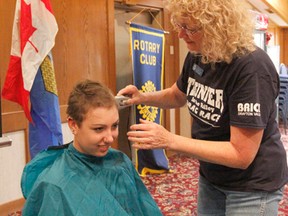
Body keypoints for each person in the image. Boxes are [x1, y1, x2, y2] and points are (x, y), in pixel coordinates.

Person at [117, 0, 288, 215]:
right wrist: (142, 97)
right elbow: (177, 95)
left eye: (190, 28)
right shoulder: (200, 53)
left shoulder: (251, 68)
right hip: (212, 175)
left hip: (252, 186)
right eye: (180, 26)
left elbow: (241, 155)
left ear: (218, 26)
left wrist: (170, 140)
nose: (181, 35)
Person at [21, 79, 162, 216]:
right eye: (99, 129)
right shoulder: (54, 185)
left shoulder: (120, 162)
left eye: (114, 126)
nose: (110, 138)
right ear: (73, 125)